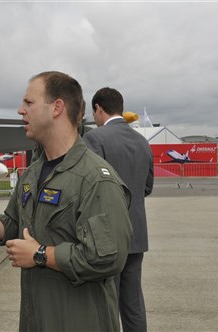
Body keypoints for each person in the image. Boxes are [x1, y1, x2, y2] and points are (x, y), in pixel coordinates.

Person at [0, 71, 133, 331]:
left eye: (29, 103)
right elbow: (15, 228)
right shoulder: (33, 172)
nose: (21, 111)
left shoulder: (95, 179)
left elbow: (107, 258)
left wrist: (41, 254)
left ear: (57, 108)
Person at [83, 87, 154, 332]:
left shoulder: (95, 139)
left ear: (98, 109)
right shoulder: (142, 141)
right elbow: (147, 187)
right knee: (133, 303)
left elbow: (89, 187)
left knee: (105, 303)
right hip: (136, 235)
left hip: (107, 238)